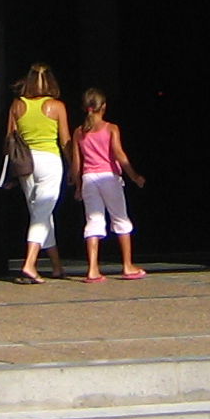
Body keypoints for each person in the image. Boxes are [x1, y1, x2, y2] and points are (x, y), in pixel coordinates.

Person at [7, 64, 72, 282]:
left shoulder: (17, 105)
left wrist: (11, 172)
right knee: (42, 213)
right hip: (50, 161)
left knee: (41, 213)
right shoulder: (57, 106)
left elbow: (10, 139)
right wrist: (73, 165)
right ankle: (29, 264)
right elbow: (65, 141)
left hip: (25, 163)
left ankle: (56, 265)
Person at [73, 89, 147, 281]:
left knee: (93, 221)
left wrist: (77, 185)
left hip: (89, 178)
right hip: (109, 177)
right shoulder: (111, 128)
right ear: (103, 107)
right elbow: (119, 154)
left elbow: (76, 163)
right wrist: (134, 175)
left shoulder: (79, 132)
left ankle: (92, 269)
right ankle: (127, 265)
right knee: (120, 219)